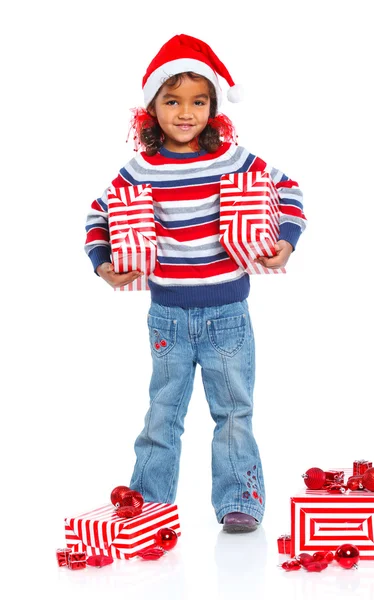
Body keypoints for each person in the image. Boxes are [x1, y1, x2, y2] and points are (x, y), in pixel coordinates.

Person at [84, 34, 307, 533]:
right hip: (167, 314)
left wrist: (286, 239)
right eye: (172, 100)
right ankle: (145, 504)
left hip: (228, 312)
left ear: (213, 106)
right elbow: (98, 214)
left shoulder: (232, 158)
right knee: (163, 412)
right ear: (151, 108)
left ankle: (240, 503)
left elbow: (287, 188)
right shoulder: (142, 168)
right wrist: (102, 263)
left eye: (198, 101)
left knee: (233, 412)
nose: (186, 113)